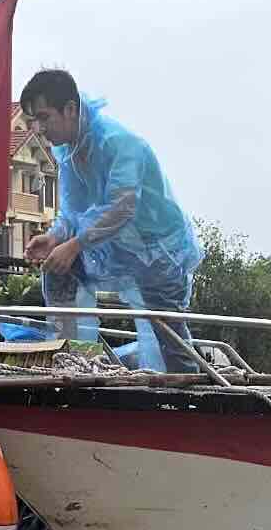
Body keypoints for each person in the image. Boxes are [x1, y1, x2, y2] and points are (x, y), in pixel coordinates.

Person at [20, 69, 203, 374]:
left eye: (43, 117)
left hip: (157, 251)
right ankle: (70, 363)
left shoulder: (120, 143)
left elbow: (122, 208)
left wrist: (75, 245)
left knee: (168, 335)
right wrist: (55, 238)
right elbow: (73, 210)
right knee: (57, 270)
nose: (38, 128)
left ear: (70, 109)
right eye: (33, 121)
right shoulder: (67, 150)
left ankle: (191, 399)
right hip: (110, 247)